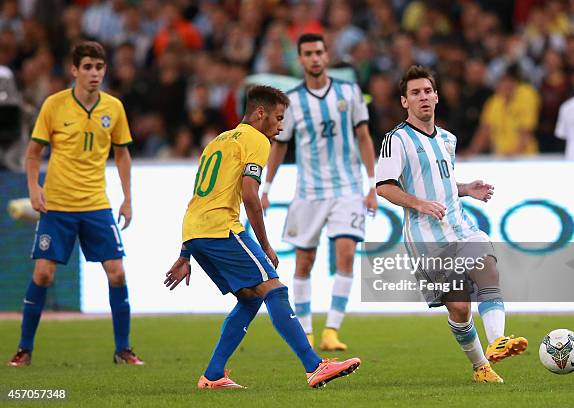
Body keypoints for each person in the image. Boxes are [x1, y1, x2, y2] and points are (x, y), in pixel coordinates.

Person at [164, 85, 360, 389]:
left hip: (195, 230)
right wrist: (266, 244)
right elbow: (250, 196)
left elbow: (201, 197)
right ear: (260, 113)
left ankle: (214, 374)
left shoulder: (218, 140)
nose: (281, 126)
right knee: (274, 288)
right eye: (279, 118)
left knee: (250, 298)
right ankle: (314, 365)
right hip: (221, 228)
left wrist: (186, 252)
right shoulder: (256, 140)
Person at [375, 65, 528, 383]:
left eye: (427, 91)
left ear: (437, 96)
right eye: (415, 93)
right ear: (405, 102)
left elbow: (440, 181)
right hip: (425, 237)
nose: (423, 97)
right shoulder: (396, 140)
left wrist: (465, 189)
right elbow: (384, 186)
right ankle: (480, 367)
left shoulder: (448, 139)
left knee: (487, 266)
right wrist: (419, 203)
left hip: (460, 225)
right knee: (459, 308)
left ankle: (498, 340)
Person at [8, 41, 143, 366]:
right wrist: (33, 188)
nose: (94, 73)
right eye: (87, 67)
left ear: (104, 70)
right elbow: (33, 152)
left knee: (117, 273)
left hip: (96, 204)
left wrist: (127, 197)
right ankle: (24, 349)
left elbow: (122, 153)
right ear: (74, 70)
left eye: (99, 67)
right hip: (58, 205)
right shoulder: (54, 105)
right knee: (43, 274)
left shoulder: (114, 108)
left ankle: (123, 349)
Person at [261, 33, 378, 351]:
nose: (314, 58)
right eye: (308, 53)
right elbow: (280, 146)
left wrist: (371, 186)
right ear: (300, 59)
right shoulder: (292, 101)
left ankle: (331, 332)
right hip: (309, 192)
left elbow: (364, 138)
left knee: (347, 253)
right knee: (303, 263)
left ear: (327, 56)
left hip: (347, 188)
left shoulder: (349, 91)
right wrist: (266, 188)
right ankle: (308, 333)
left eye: (319, 52)